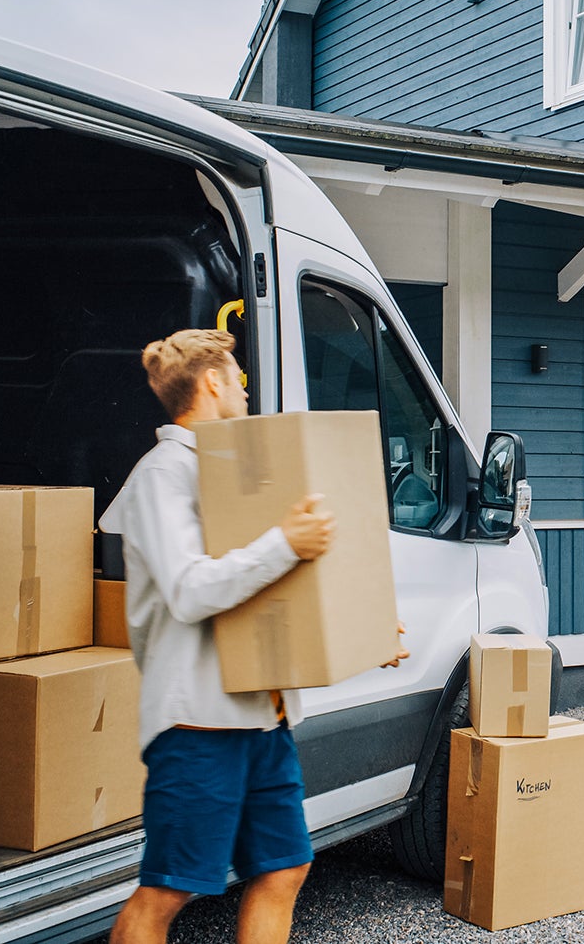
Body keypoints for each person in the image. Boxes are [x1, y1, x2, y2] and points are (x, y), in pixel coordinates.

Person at [99, 329, 336, 944]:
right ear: (212, 383)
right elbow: (191, 589)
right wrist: (286, 542)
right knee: (170, 887)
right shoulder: (164, 474)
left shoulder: (231, 473)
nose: (246, 392)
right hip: (198, 726)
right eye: (239, 379)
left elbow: (269, 586)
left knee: (284, 868)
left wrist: (355, 626)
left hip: (263, 716)